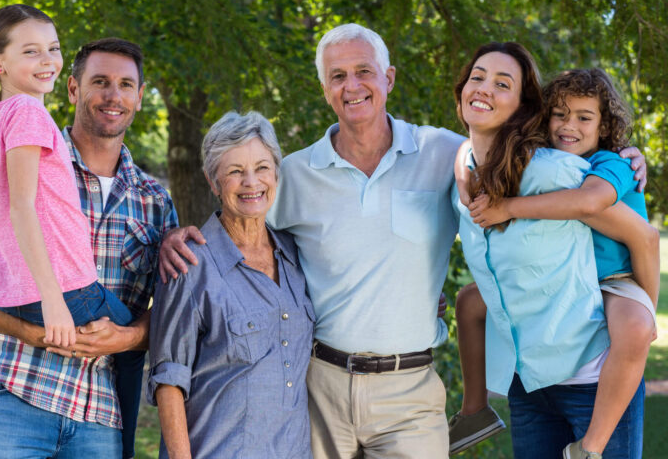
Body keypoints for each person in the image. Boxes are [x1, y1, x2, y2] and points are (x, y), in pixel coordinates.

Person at [158, 26, 648, 458]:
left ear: (388, 78)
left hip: (410, 390)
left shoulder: (444, 153)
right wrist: (181, 238)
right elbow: (243, 210)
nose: (353, 86)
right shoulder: (295, 175)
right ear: (326, 88)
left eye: (364, 71)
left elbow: (562, 175)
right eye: (338, 75)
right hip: (320, 385)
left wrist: (621, 157)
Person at [0, 36, 176, 458]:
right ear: (74, 89)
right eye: (100, 81)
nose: (114, 95)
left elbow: (170, 311)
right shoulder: (26, 154)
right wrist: (30, 332)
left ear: (138, 97)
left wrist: (127, 336)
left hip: (99, 412)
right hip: (13, 388)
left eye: (126, 85)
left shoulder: (155, 201)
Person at [451, 43, 648, 459]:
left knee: (634, 326)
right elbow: (464, 153)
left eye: (502, 83)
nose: (568, 126)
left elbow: (639, 234)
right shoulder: (472, 165)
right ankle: (474, 409)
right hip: (530, 381)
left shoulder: (567, 172)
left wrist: (643, 301)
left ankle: (590, 448)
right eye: (477, 77)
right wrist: (463, 166)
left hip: (596, 349)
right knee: (469, 300)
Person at [148, 110, 314, 458]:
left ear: (276, 174)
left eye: (262, 167)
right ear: (213, 181)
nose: (252, 182)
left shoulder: (297, 253)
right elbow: (168, 380)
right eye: (235, 171)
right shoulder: (188, 263)